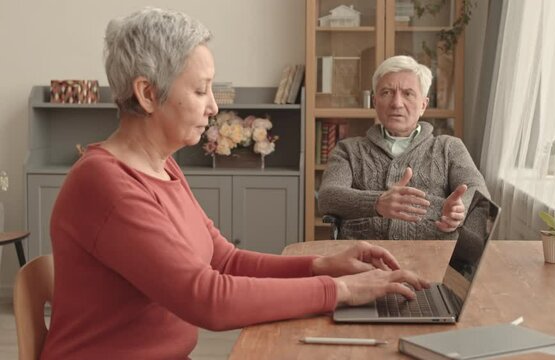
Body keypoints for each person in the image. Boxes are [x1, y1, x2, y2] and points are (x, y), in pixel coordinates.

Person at [40, 8, 427, 359]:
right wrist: (339, 291)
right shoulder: (105, 183)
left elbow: (224, 261)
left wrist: (321, 266)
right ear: (147, 94)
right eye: (199, 89)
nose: (213, 106)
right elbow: (208, 299)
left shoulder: (163, 167)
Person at [317, 55, 489, 240]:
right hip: (364, 260)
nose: (397, 103)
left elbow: (478, 194)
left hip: (431, 260)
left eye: (408, 93)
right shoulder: (348, 150)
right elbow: (327, 196)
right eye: (387, 93)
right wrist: (377, 203)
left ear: (423, 104)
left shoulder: (448, 147)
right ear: (375, 102)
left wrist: (459, 210)